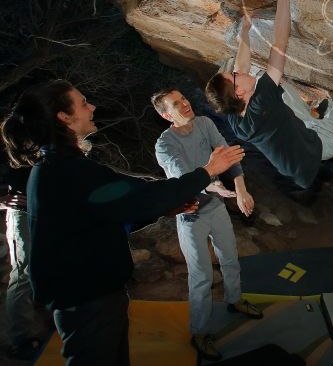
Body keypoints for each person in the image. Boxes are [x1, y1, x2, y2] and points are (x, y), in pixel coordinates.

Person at [0, 80, 244, 365]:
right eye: (83, 103)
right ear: (64, 118)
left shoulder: (56, 167)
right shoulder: (70, 172)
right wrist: (207, 171)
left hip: (88, 294)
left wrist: (163, 210)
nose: (92, 107)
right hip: (87, 299)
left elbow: (113, 209)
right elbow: (141, 194)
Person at [205, 0, 333, 190]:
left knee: (273, 82)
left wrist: (245, 33)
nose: (237, 71)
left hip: (301, 130)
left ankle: (315, 112)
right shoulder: (261, 105)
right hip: (323, 142)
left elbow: (241, 66)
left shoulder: (233, 112)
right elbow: (280, 41)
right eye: (234, 77)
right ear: (239, 92)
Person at [151, 88, 262, 361]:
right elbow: (185, 177)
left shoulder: (204, 123)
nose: (185, 104)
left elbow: (228, 155)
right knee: (201, 275)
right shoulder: (164, 145)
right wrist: (216, 187)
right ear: (167, 115)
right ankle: (199, 332)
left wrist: (241, 190)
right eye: (176, 104)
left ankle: (234, 300)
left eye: (184, 98)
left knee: (230, 257)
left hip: (216, 208)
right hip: (191, 215)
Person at [0, 166, 48, 360]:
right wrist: (2, 201)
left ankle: (52, 315)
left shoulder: (46, 138)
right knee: (23, 275)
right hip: (23, 213)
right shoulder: (9, 141)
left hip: (48, 210)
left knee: (50, 267)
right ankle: (20, 340)